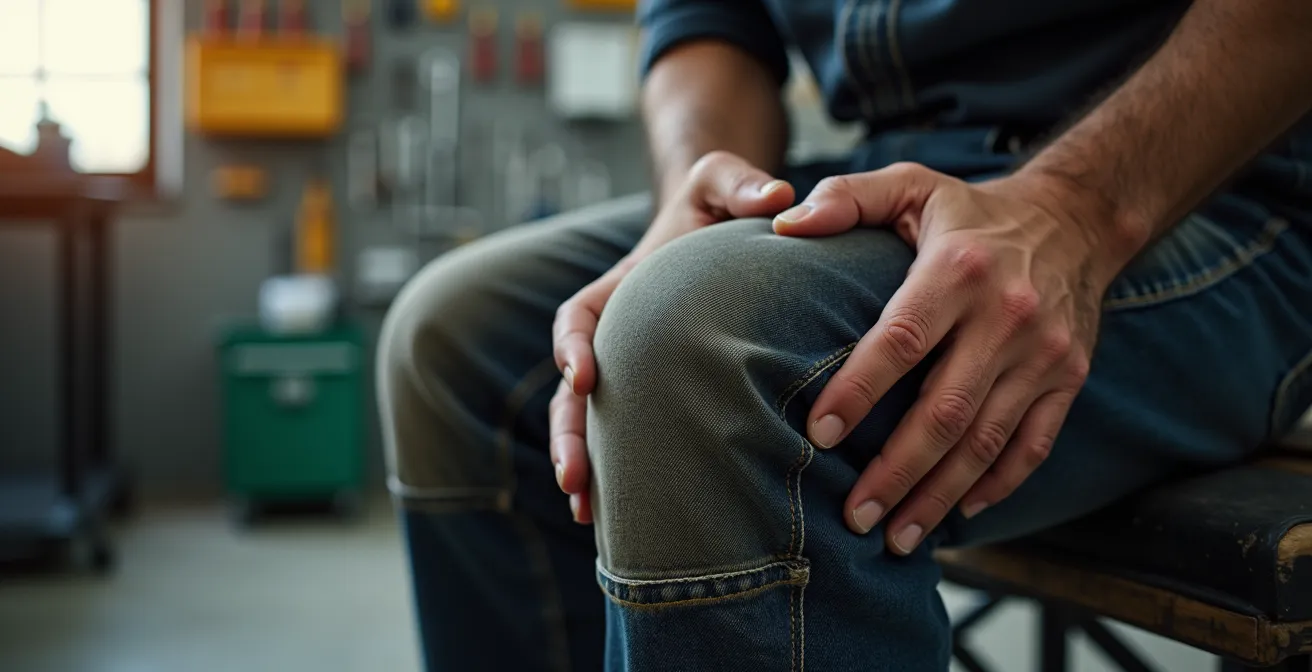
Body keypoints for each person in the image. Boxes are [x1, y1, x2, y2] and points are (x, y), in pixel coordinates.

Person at [377, 0, 1312, 668]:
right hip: (893, 164)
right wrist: (692, 195)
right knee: (451, 341)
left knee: (699, 347)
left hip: (1211, 187)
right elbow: (708, 22)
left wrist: (1076, 209)